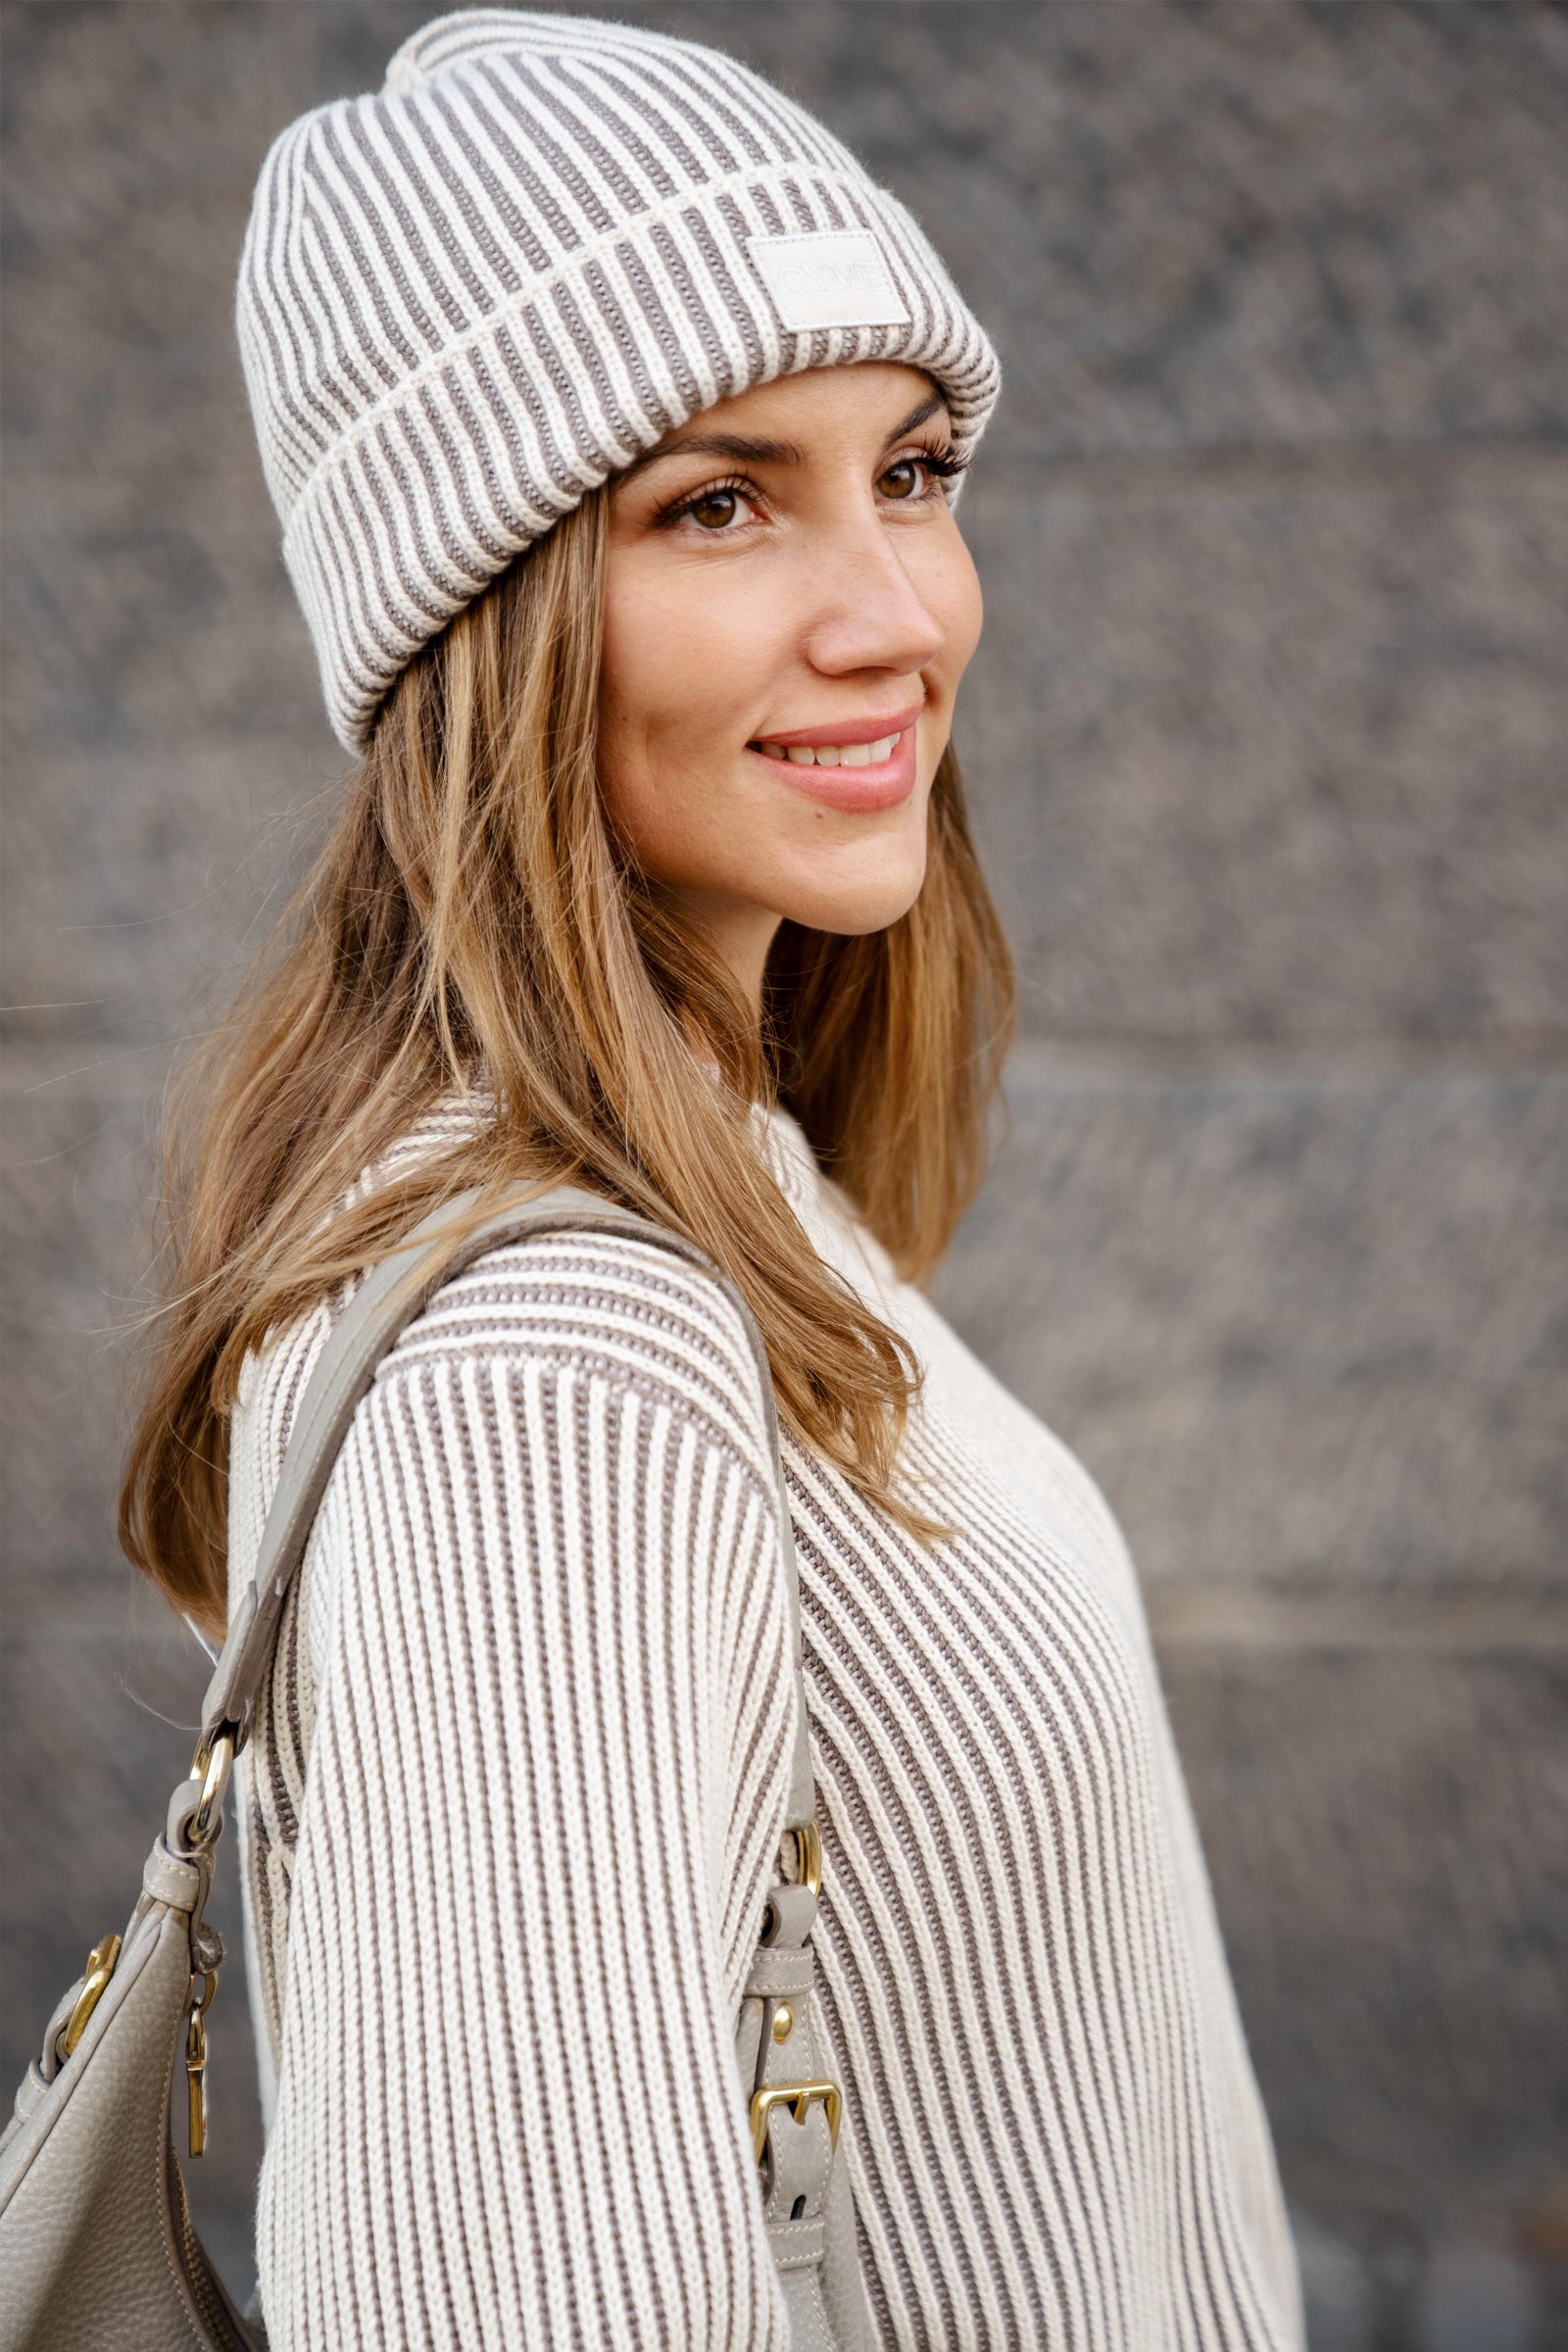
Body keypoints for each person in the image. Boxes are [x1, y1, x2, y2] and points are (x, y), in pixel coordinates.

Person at [122, 13, 1303, 2347]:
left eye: (917, 467)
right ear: (474, 613)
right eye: (716, 502)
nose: (893, 612)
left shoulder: (713, 1171)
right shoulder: (554, 1340)